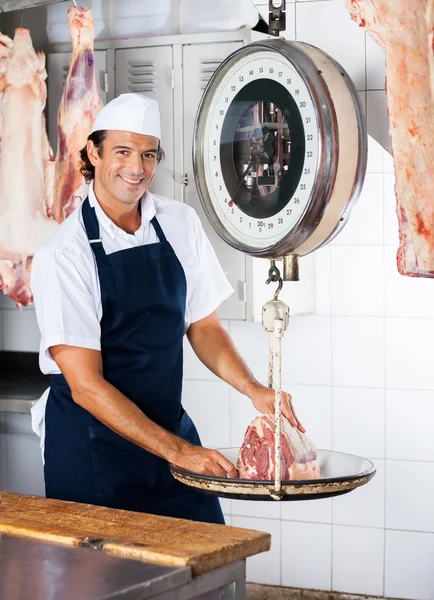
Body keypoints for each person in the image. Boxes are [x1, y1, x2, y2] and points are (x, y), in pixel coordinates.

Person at [31, 93, 304, 524]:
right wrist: (180, 452)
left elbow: (204, 327)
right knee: (104, 585)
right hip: (93, 450)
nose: (136, 168)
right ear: (93, 152)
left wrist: (253, 388)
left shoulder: (179, 222)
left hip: (167, 433)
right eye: (122, 152)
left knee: (206, 568)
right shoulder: (64, 253)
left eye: (148, 154)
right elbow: (85, 386)